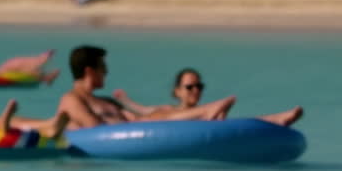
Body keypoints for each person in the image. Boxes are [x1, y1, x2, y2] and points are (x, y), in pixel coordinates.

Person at [57, 46, 240, 129]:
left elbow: (134, 116)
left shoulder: (105, 101)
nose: (106, 71)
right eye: (102, 67)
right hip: (123, 137)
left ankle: (207, 116)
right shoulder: (72, 99)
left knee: (161, 114)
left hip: (137, 129)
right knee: (160, 116)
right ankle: (206, 112)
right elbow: (94, 129)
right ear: (89, 72)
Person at [112, 67, 304, 127]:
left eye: (199, 86)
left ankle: (275, 119)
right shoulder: (166, 109)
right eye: (189, 87)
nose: (195, 90)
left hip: (204, 121)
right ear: (177, 91)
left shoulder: (206, 114)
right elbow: (142, 110)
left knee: (235, 123)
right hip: (164, 126)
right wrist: (125, 101)